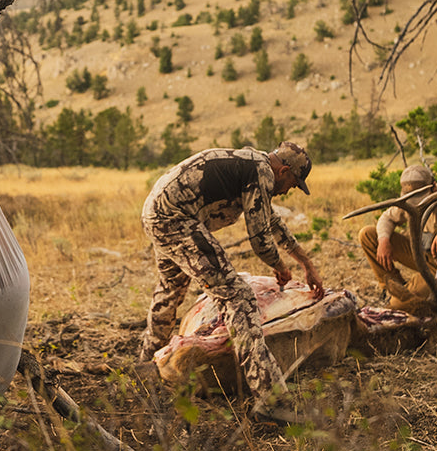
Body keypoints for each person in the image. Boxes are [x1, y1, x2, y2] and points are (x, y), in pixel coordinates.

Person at [139, 141, 324, 421]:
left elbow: (270, 221)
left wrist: (305, 262)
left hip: (158, 214)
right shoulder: (260, 171)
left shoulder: (252, 163)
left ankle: (145, 365)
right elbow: (260, 239)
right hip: (175, 219)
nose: (287, 190)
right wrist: (279, 266)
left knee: (171, 289)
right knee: (239, 298)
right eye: (292, 183)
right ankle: (271, 399)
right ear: (284, 170)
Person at [359, 164, 437, 310]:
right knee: (368, 235)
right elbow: (387, 217)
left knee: (397, 305)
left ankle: (403, 298)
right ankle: (393, 288)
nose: (417, 204)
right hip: (423, 257)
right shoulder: (409, 202)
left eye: (421, 199)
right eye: (412, 200)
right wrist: (383, 240)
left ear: (433, 187)